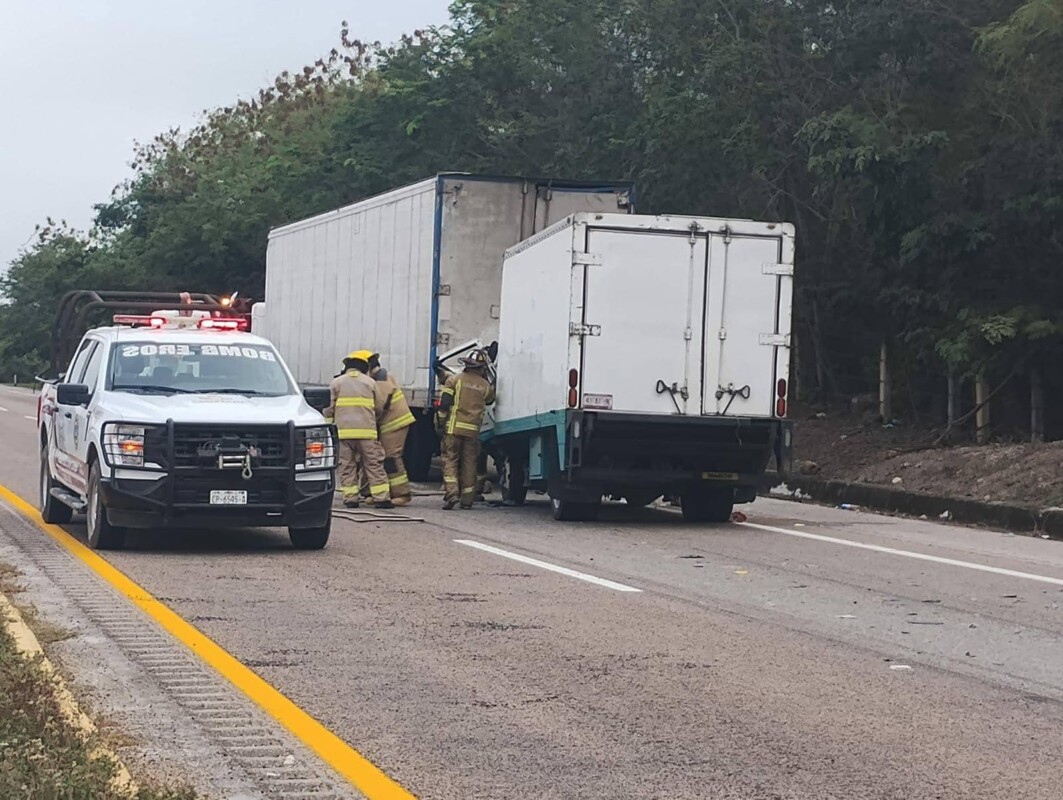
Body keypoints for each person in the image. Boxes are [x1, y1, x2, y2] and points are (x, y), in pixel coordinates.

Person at [323, 351, 393, 509]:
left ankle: (350, 499)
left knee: (347, 466)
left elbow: (328, 408)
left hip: (343, 433)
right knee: (373, 464)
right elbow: (379, 406)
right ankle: (381, 498)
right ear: (364, 367)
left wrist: (330, 428)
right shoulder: (370, 383)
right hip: (367, 433)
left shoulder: (336, 383)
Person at [437, 349, 495, 510]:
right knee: (470, 464)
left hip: (453, 428)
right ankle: (467, 500)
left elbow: (445, 404)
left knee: (450, 460)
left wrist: (441, 423)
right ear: (481, 367)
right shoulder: (485, 386)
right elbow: (490, 400)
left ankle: (452, 494)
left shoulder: (454, 380)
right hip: (473, 432)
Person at [367, 352, 416, 506]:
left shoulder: (380, 381)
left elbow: (379, 407)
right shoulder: (382, 376)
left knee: (391, 458)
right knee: (386, 458)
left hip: (394, 424)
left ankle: (402, 494)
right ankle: (387, 492)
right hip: (393, 423)